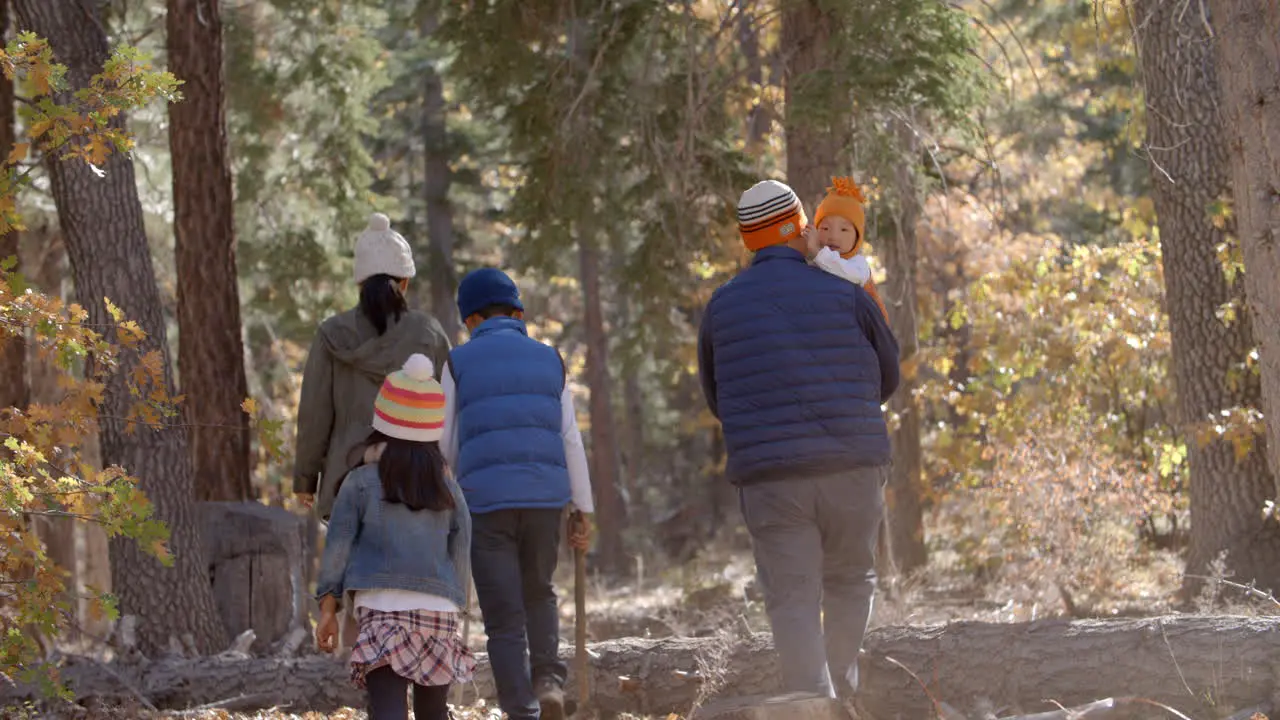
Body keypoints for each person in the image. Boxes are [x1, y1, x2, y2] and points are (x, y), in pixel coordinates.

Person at [697, 179, 900, 699]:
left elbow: (717, 398)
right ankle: (844, 687)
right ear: (795, 229)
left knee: (792, 598)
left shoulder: (721, 307)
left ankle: (813, 699)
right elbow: (889, 375)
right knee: (852, 580)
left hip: (771, 480)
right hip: (852, 468)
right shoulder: (847, 291)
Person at [439, 267, 594, 720]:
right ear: (519, 313)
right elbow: (570, 440)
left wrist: (445, 498)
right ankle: (548, 679)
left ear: (470, 320)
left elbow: (445, 442)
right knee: (540, 593)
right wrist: (582, 508)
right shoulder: (550, 359)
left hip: (485, 503)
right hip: (546, 500)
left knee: (503, 615)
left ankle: (521, 709)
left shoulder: (457, 362)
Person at [314, 353, 475, 720]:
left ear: (381, 421)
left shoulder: (359, 482)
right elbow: (462, 544)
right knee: (433, 711)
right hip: (438, 610)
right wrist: (457, 599)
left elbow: (338, 546)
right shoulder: (448, 487)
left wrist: (327, 608)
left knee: (387, 709)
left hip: (382, 607)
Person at [294, 212, 452, 520]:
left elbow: (315, 413)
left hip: (346, 476)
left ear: (360, 283)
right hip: (417, 478)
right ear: (404, 282)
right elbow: (450, 405)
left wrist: (305, 479)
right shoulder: (429, 333)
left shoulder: (332, 334)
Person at [803, 176, 890, 320]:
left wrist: (818, 253)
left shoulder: (858, 265)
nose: (834, 236)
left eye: (844, 230)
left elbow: (845, 272)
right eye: (825, 228)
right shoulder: (818, 263)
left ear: (857, 237)